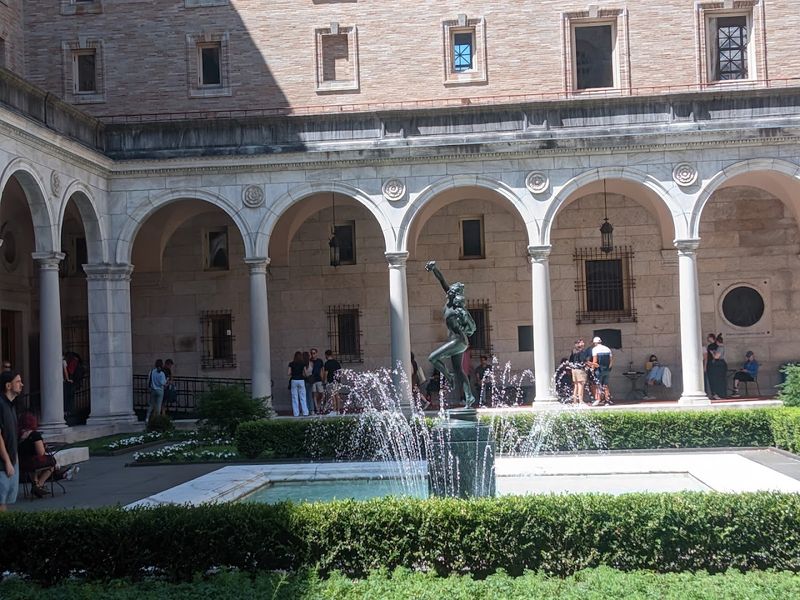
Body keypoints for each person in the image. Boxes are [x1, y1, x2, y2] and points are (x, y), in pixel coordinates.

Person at [425, 260, 477, 408]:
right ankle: (469, 397)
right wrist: (434, 269)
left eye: (451, 291)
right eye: (449, 291)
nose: (448, 292)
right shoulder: (450, 301)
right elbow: (442, 280)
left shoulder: (457, 309)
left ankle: (448, 376)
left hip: (458, 341)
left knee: (432, 358)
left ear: (455, 295)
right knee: (459, 370)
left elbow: (472, 326)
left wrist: (464, 317)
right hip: (457, 341)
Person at [17, 412, 56, 498]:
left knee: (32, 465)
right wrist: (44, 446)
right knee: (52, 463)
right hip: (33, 462)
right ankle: (39, 485)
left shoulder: (18, 435)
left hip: (22, 463)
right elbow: (41, 453)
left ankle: (35, 483)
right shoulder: (35, 435)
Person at [0, 370, 22, 511]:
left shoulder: (11, 406)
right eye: (18, 381)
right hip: (2, 464)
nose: (22, 384)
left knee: (6, 501)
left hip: (12, 461)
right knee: (1, 502)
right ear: (8, 385)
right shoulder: (1, 404)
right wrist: (7, 461)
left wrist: (15, 459)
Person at [589, 336, 613, 406]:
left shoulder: (595, 349)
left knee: (597, 385)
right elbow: (611, 361)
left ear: (595, 343)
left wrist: (592, 369)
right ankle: (607, 400)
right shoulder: (607, 349)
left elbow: (595, 361)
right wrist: (609, 369)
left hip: (599, 370)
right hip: (607, 369)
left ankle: (598, 399)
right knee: (605, 385)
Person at [568, 339, 590, 405]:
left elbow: (570, 361)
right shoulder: (581, 351)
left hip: (574, 370)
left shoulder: (573, 351)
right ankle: (580, 400)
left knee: (576, 385)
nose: (583, 343)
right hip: (580, 370)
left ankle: (574, 401)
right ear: (579, 344)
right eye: (581, 342)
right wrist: (591, 364)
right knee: (581, 385)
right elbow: (583, 360)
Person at [288, 351, 309, 417]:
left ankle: (296, 413)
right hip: (301, 380)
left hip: (294, 380)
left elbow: (288, 373)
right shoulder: (303, 364)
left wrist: (294, 373)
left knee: (294, 397)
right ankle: (305, 412)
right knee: (303, 397)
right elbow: (306, 374)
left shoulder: (291, 363)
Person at [321, 350, 342, 414]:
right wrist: (339, 380)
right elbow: (339, 372)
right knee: (337, 395)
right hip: (337, 381)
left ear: (326, 355)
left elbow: (326, 373)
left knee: (332, 396)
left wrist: (324, 381)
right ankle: (338, 410)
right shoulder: (336, 363)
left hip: (330, 381)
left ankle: (334, 410)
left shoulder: (327, 363)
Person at [308, 348, 325, 414]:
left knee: (321, 393)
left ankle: (319, 405)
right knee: (314, 394)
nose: (313, 355)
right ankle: (317, 408)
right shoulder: (310, 361)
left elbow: (322, 370)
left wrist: (323, 378)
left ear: (316, 353)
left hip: (319, 379)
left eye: (314, 353)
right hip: (312, 379)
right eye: (312, 353)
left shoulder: (319, 361)